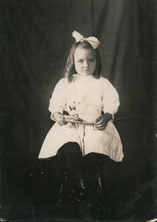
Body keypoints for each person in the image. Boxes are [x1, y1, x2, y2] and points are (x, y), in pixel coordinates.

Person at [38, 31, 124, 216]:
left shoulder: (102, 83)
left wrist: (107, 115)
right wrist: (58, 114)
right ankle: (81, 189)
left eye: (91, 60)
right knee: (71, 150)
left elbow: (112, 101)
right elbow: (55, 104)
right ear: (73, 62)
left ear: (97, 61)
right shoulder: (65, 82)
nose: (86, 65)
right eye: (81, 61)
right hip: (71, 127)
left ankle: (88, 193)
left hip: (94, 127)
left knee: (95, 152)